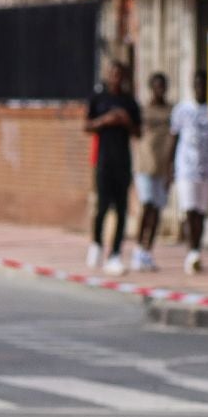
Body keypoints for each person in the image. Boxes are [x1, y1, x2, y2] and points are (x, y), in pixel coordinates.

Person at [84, 60, 141, 276]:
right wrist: (106, 120)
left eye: (119, 74)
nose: (116, 77)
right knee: (102, 207)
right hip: (103, 161)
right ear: (108, 75)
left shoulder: (129, 102)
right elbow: (86, 125)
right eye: (112, 73)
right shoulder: (99, 99)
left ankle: (115, 252)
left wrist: (125, 121)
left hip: (123, 161)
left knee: (122, 209)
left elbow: (138, 132)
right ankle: (97, 243)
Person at [172, 69, 208, 275]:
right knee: (189, 210)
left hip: (207, 170)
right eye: (197, 84)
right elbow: (173, 139)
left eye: (203, 84)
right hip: (186, 169)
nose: (200, 88)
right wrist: (169, 169)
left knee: (201, 213)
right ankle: (191, 252)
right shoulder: (182, 110)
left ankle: (197, 249)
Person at [130, 72, 175, 273]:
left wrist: (171, 168)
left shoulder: (172, 111)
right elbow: (135, 132)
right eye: (156, 86)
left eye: (163, 86)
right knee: (146, 205)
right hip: (144, 166)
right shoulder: (142, 111)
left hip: (163, 167)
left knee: (157, 210)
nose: (160, 90)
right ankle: (138, 248)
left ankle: (148, 251)